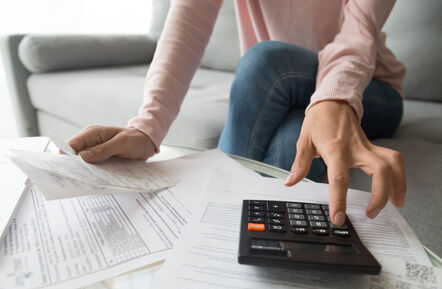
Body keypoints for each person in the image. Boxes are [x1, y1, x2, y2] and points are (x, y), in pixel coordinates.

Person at [68, 0, 407, 226]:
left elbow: (357, 33)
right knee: (292, 139)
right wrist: (147, 127)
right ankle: (235, 236)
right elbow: (187, 25)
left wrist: (332, 101)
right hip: (282, 92)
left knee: (265, 60)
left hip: (369, 87)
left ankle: (210, 225)